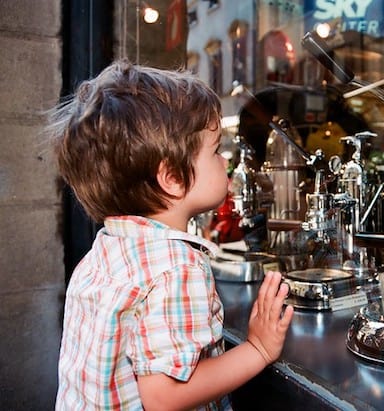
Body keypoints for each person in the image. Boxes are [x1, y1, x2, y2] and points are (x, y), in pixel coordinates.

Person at [48, 59, 294, 410]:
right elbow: (166, 396)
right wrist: (258, 348)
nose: (225, 160)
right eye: (215, 151)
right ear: (173, 178)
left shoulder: (107, 247)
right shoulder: (177, 266)